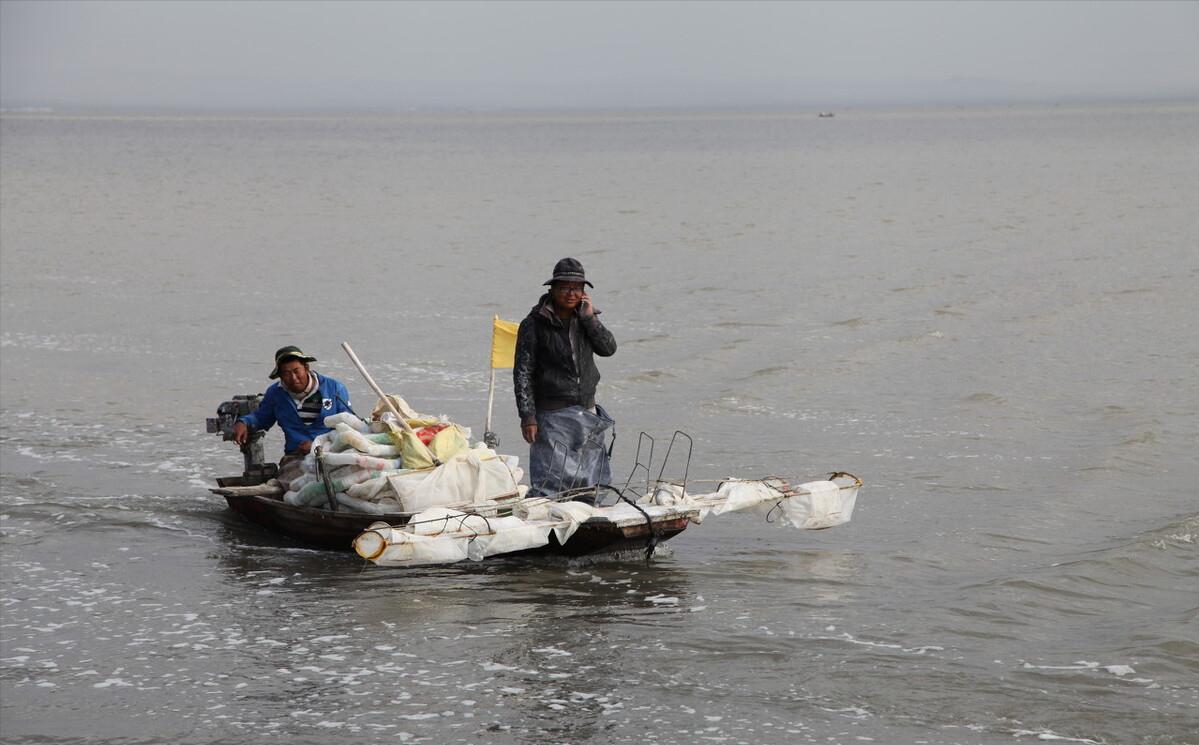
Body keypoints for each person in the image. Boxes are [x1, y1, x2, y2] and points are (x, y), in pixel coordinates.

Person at [514, 258, 618, 496]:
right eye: (564, 288)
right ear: (552, 289)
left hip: (587, 409)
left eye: (577, 288)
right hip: (551, 413)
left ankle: (587, 515)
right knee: (552, 479)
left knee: (589, 477)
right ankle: (550, 522)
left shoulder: (586, 319)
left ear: (584, 293)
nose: (570, 293)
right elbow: (522, 373)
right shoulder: (533, 324)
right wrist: (528, 416)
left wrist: (590, 319)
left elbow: (608, 349)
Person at [232, 345, 354, 464]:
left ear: (306, 368)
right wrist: (243, 422)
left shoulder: (334, 389)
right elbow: (261, 418)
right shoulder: (275, 393)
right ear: (280, 376)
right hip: (296, 456)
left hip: (332, 452)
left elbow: (348, 426)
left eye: (297, 371)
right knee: (292, 481)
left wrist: (318, 446)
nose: (293, 378)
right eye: (286, 373)